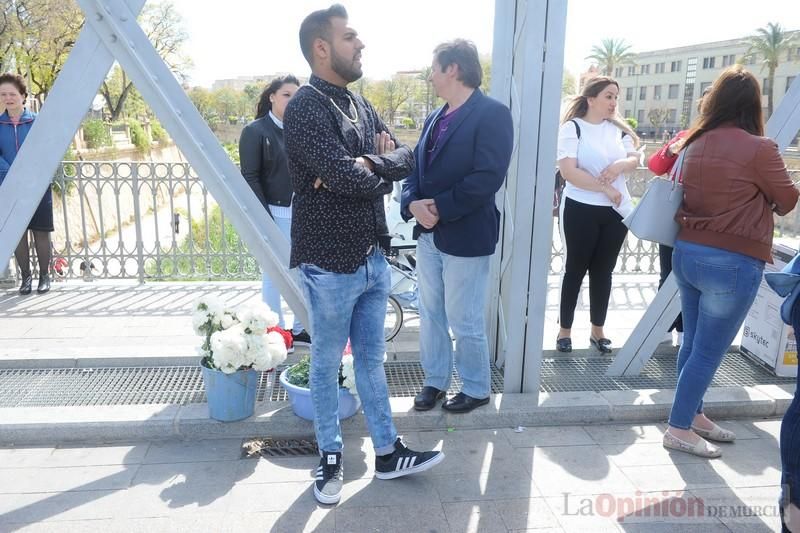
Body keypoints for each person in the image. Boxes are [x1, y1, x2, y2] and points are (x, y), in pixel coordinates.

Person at [283, 4, 443, 506]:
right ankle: (330, 456)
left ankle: (388, 451)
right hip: (329, 261)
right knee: (329, 361)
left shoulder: (360, 104)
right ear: (321, 48)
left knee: (372, 362)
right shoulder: (306, 106)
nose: (361, 44)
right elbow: (350, 178)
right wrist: (360, 167)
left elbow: (404, 156)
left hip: (373, 255)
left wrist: (367, 160)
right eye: (350, 37)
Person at [662, 65, 798, 459]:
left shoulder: (695, 142)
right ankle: (678, 427)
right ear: (754, 105)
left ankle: (693, 414)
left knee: (693, 343)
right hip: (733, 261)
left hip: (687, 253)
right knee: (707, 351)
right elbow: (787, 200)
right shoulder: (760, 148)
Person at [401, 40, 513, 413]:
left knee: (464, 317)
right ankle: (435, 381)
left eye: (434, 67)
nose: (430, 75)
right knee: (430, 312)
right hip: (429, 233)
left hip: (465, 233)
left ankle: (477, 387)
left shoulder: (492, 114)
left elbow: (487, 177)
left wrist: (438, 208)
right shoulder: (435, 116)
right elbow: (415, 170)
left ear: (453, 69)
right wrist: (412, 203)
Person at [555, 76, 641, 354]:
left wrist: (619, 165)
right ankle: (564, 331)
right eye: (608, 96)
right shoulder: (572, 128)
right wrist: (607, 190)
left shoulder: (619, 130)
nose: (614, 102)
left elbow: (634, 159)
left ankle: (597, 331)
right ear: (591, 99)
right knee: (575, 270)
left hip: (615, 213)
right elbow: (569, 172)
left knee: (604, 271)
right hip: (581, 208)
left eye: (616, 96)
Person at [239, 75, 311, 349]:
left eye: (296, 96)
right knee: (274, 274)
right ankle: (276, 330)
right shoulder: (255, 131)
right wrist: (263, 218)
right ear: (272, 96)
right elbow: (250, 176)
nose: (291, 101)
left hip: (303, 213)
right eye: (286, 95)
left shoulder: (299, 130)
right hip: (274, 213)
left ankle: (302, 329)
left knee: (304, 271)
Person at [646, 88, 710, 346]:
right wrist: (672, 150)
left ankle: (685, 329)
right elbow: (656, 166)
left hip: (705, 222)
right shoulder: (686, 136)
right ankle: (667, 328)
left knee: (696, 278)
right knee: (668, 273)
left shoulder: (729, 140)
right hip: (675, 218)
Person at [0, 73, 52, 295]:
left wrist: (31, 175)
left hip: (37, 185)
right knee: (17, 232)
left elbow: (47, 149)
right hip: (8, 184)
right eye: (3, 94)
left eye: (12, 94)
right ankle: (26, 278)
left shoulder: (38, 121)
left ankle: (44, 276)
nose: (8, 98)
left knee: (41, 232)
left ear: (23, 96)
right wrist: (11, 174)